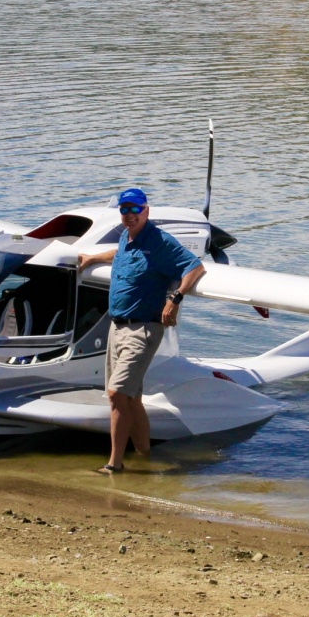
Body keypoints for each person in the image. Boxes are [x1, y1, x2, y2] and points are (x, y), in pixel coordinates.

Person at [77, 188, 205, 474]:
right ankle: (144, 456)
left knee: (116, 395)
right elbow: (122, 253)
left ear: (146, 210)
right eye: (124, 210)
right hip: (117, 327)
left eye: (135, 209)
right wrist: (95, 258)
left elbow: (194, 267)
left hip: (143, 329)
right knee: (131, 398)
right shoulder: (126, 236)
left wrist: (175, 299)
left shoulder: (159, 241)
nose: (129, 215)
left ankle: (114, 464)